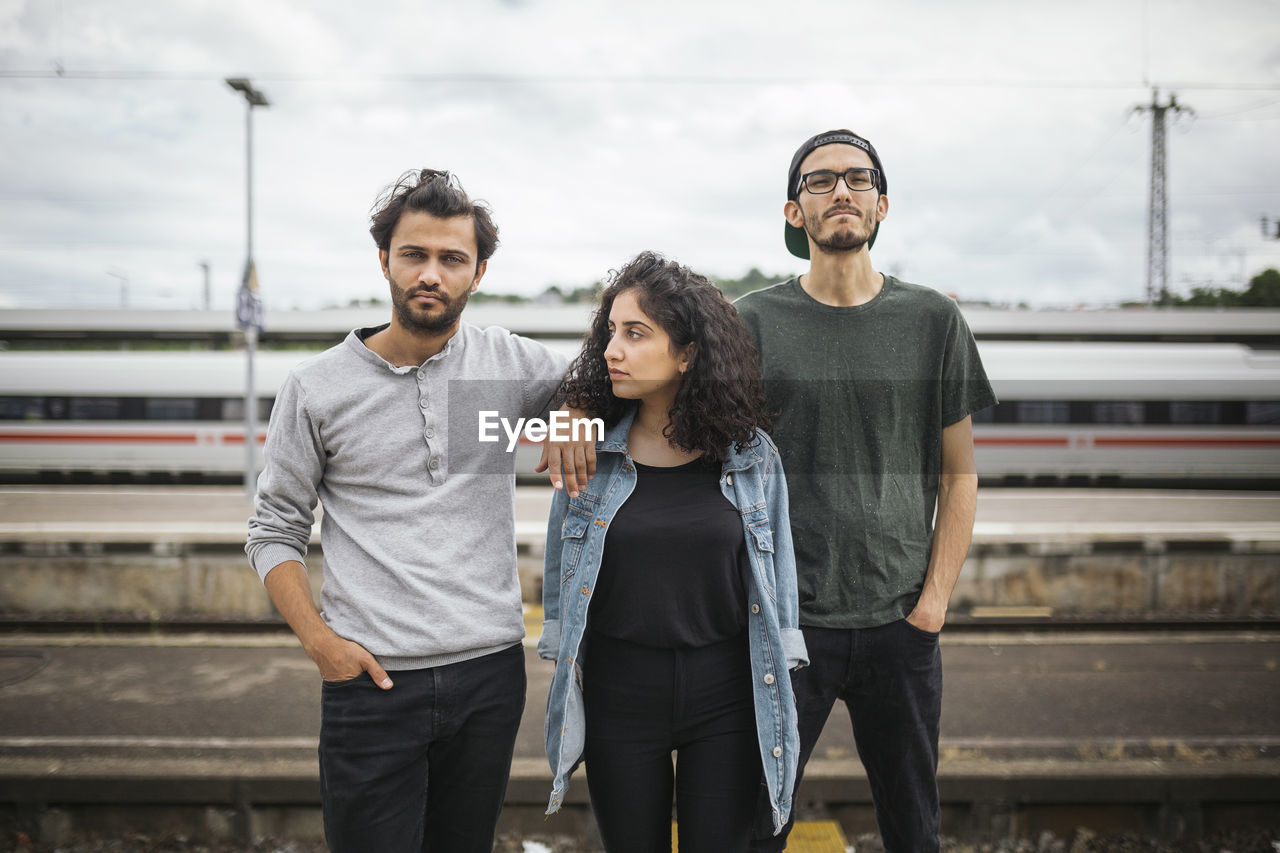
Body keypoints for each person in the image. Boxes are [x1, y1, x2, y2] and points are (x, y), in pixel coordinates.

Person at [245, 169, 570, 853]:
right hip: (371, 680)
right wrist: (319, 643)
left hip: (490, 673)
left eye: (452, 258)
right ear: (384, 260)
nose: (432, 273)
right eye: (414, 254)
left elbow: (612, 393)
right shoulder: (316, 387)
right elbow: (274, 528)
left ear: (478, 272)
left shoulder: (509, 363)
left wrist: (574, 415)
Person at [738, 130, 998, 852]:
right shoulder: (752, 321)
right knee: (758, 823)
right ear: (796, 212)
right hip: (790, 622)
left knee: (913, 825)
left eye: (858, 179)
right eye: (821, 182)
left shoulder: (933, 321)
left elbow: (959, 473)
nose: (842, 191)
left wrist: (933, 604)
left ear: (882, 204)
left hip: (901, 621)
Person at [538, 252, 808, 853]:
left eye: (636, 334)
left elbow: (779, 569)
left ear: (687, 354)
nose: (614, 349)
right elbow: (560, 561)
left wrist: (786, 656)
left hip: (728, 693)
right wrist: (569, 415)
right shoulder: (589, 447)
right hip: (619, 691)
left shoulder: (750, 455)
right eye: (611, 331)